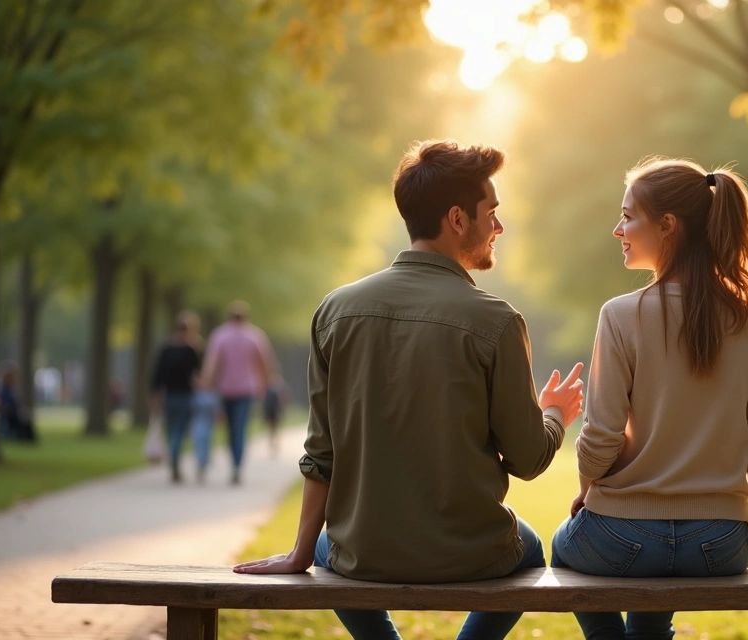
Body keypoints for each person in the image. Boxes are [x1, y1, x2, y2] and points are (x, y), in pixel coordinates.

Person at [234, 140, 585, 640]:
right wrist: (553, 414)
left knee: (325, 548)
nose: (499, 227)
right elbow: (527, 460)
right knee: (529, 550)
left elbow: (321, 452)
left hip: (361, 553)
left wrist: (299, 553)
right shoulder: (497, 320)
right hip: (471, 554)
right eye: (492, 213)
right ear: (458, 219)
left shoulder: (334, 311)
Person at [551, 158, 748, 640]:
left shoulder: (621, 315)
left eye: (628, 216)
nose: (617, 229)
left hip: (620, 538)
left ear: (667, 225)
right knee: (654, 593)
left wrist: (588, 491)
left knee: (561, 546)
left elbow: (600, 439)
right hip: (721, 544)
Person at [200, 301, 276, 485]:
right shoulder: (255, 335)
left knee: (229, 428)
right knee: (239, 428)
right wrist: (267, 384)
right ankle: (237, 465)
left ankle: (234, 462)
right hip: (246, 390)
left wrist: (206, 382)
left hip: (225, 389)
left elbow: (211, 363)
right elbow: (264, 363)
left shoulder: (219, 335)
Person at [151, 311, 204, 484]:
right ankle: (174, 457)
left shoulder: (166, 349)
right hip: (186, 396)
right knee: (180, 431)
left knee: (171, 429)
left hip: (169, 395)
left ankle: (173, 458)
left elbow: (157, 375)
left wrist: (155, 397)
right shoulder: (191, 350)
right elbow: (198, 375)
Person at [0, 364, 36, 442]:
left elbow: (17, 403)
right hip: (7, 413)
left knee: (25, 420)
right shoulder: (1, 389)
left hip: (14, 412)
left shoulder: (13, 389)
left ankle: (27, 438)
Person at [262, 373, 288, 456]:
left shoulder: (274, 389)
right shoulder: (271, 389)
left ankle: (275, 444)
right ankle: (273, 444)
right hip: (272, 412)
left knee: (273, 429)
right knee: (273, 429)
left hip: (273, 412)